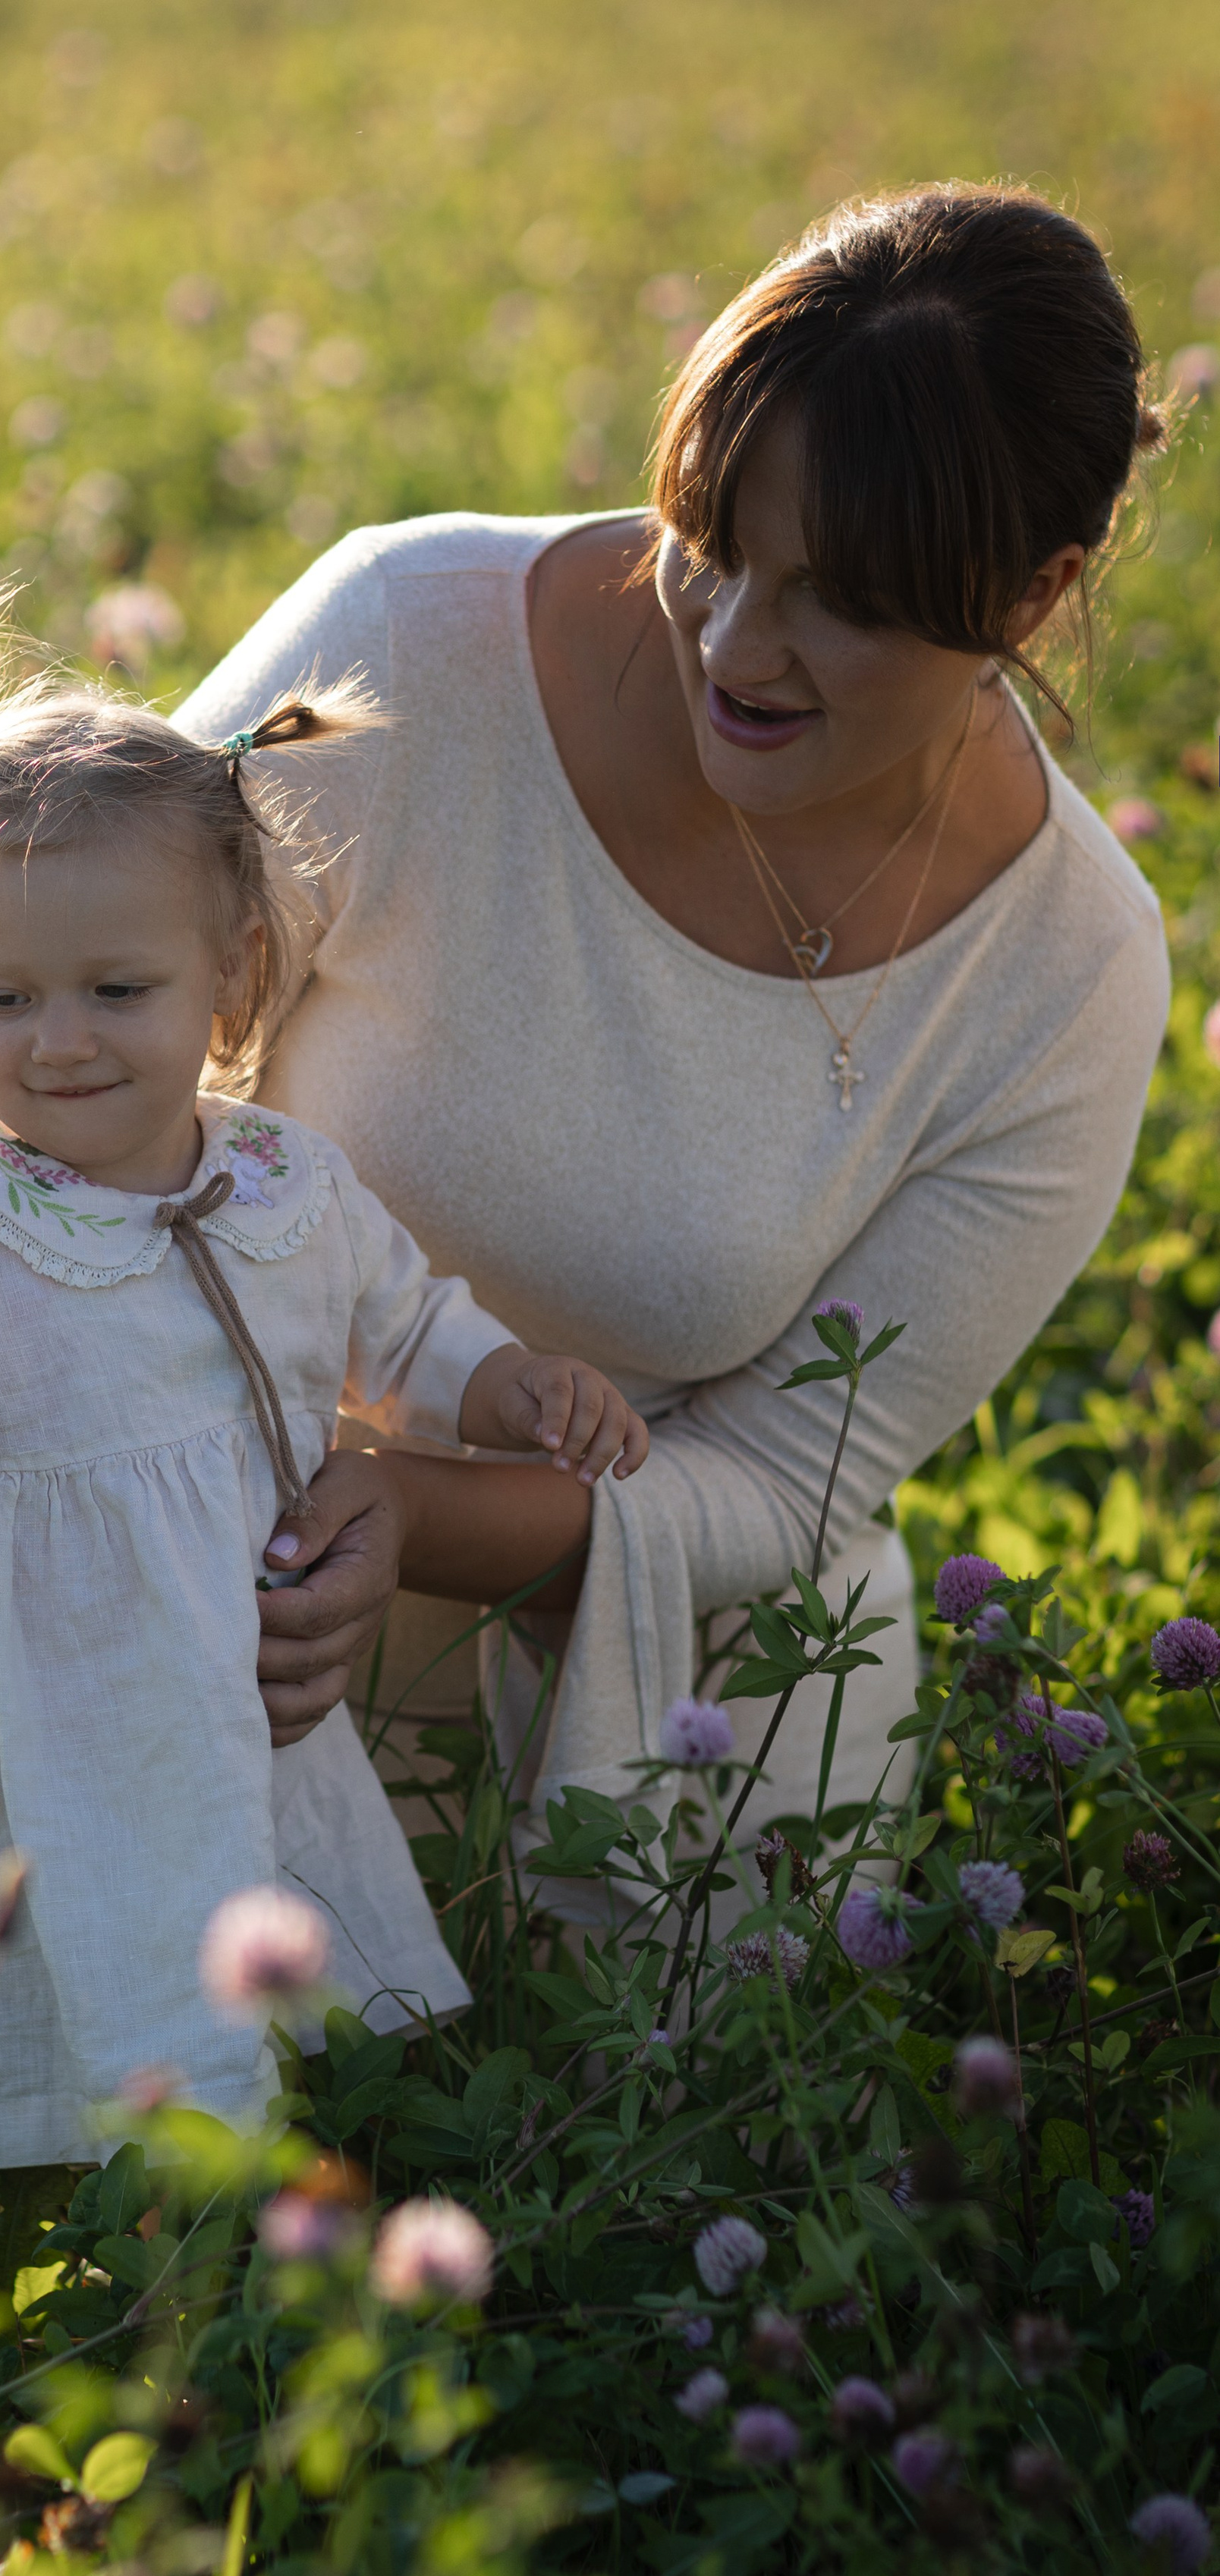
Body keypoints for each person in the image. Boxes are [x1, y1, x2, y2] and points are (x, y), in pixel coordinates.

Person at [190, 182, 1171, 1905]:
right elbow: (67, 1012)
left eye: (841, 601)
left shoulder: (1063, 970)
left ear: (1032, 592)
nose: (729, 640)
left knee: (645, 2162)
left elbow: (788, 1483)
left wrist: (407, 1509)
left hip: (691, 1705)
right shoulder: (409, 645)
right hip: (224, 1557)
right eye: (707, 536)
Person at [0, 564, 646, 2306]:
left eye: (113, 993)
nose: (51, 1044)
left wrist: (511, 1389)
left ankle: (239, 2362)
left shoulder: (285, 1181)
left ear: (230, 981)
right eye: (3, 998)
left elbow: (405, 1328)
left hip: (216, 1723)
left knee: (250, 2063)